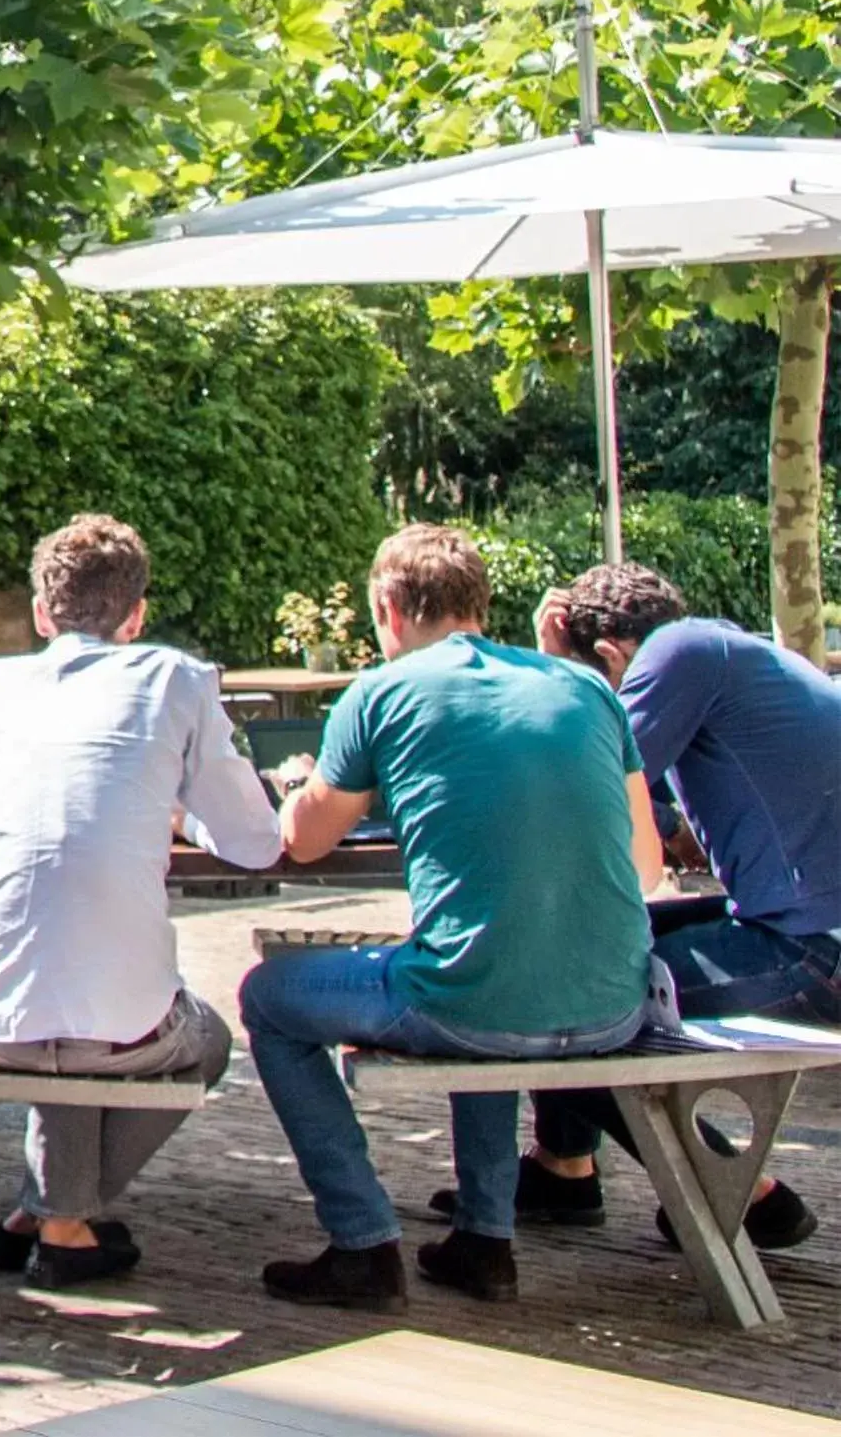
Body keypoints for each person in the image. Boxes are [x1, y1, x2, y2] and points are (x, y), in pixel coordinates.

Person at [245, 525, 659, 1312]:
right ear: (482, 602)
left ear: (387, 608)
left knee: (271, 996)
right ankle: (483, 1241)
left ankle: (362, 1241)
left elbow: (302, 842)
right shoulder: (588, 689)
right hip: (615, 1003)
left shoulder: (378, 692)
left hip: (473, 999)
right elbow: (645, 862)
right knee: (478, 949)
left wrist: (307, 781)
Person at [0, 514, 280, 1290]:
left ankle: (44, 1211)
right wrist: (177, 809)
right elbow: (256, 842)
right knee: (202, 1038)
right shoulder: (174, 679)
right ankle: (63, 1219)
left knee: (62, 1005)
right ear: (136, 615)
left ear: (41, 612)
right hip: (124, 1026)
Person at [448, 562, 836, 1249]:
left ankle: (740, 1193)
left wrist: (544, 670)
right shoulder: (720, 650)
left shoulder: (676, 655)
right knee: (566, 957)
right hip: (801, 928)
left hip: (813, 949)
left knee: (556, 993)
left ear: (607, 656)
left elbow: (580, 778)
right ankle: (563, 1163)